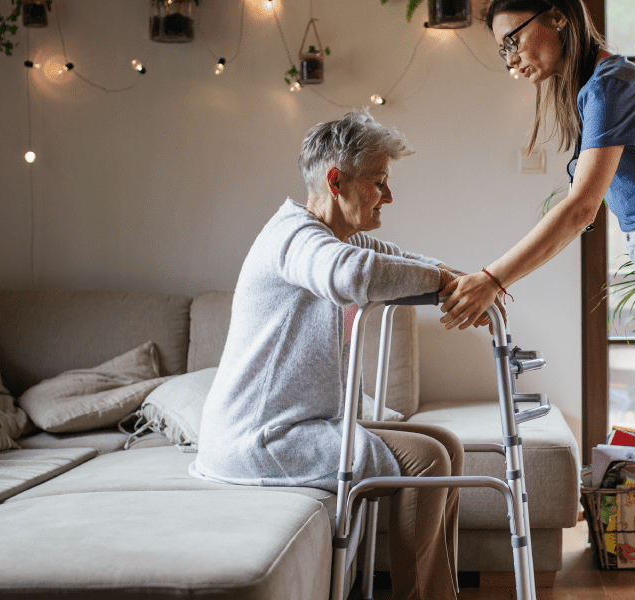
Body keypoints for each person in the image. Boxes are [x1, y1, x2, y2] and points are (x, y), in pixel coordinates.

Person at [439, 2, 635, 599]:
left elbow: (582, 208)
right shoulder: (592, 91)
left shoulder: (612, 84)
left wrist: (493, 277)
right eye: (502, 50)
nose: (512, 59)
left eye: (514, 40)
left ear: (556, 17)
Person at [190, 109, 464, 600]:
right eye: (379, 182)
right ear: (336, 180)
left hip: (300, 425)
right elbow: (351, 276)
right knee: (427, 460)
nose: (389, 196)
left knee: (447, 443)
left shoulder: (335, 236)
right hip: (262, 437)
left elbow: (402, 261)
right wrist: (445, 282)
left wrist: (466, 284)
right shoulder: (295, 238)